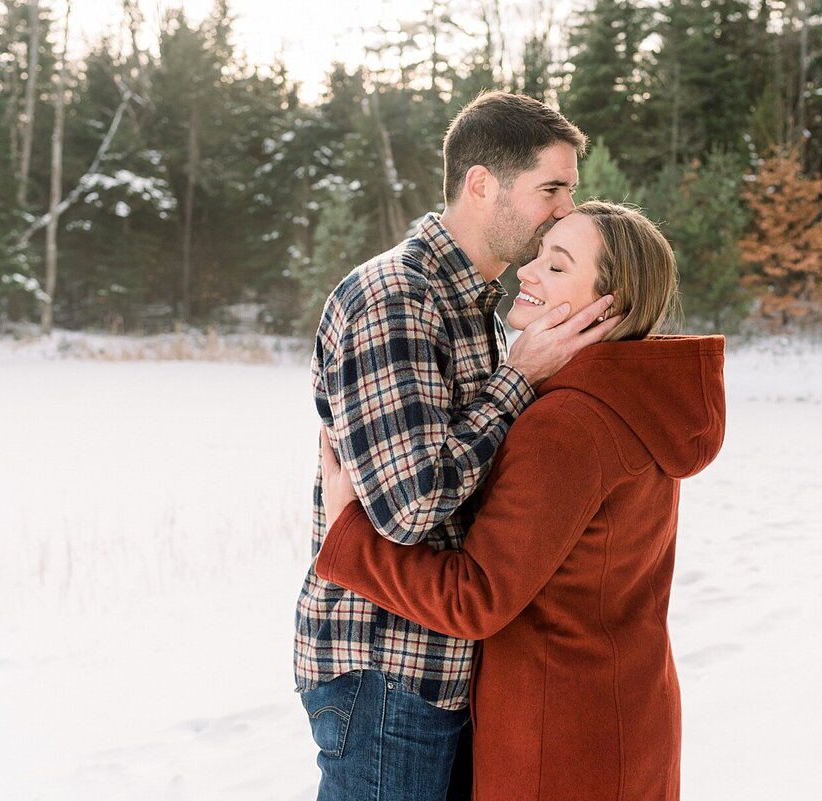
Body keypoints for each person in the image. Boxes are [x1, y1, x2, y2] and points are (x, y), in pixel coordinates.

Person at [315, 201, 727, 801]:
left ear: (608, 306)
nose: (527, 271)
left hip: (557, 740)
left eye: (557, 266)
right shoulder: (635, 400)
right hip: (622, 712)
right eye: (538, 255)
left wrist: (348, 537)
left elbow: (475, 598)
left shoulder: (568, 424)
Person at [295, 92, 619, 801]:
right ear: (481, 184)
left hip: (444, 665)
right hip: (388, 670)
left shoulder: (477, 308)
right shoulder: (395, 297)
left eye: (569, 190)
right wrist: (517, 380)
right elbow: (411, 507)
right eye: (551, 189)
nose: (565, 209)